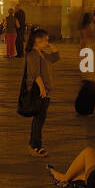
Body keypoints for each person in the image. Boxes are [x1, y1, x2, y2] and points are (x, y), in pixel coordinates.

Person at [24, 29, 59, 157]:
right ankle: (35, 145)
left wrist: (50, 46)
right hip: (38, 91)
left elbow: (55, 58)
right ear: (37, 40)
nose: (47, 42)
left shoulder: (42, 53)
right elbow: (35, 73)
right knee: (38, 120)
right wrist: (42, 89)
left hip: (45, 91)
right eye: (45, 39)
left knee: (40, 119)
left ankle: (35, 144)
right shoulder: (32, 54)